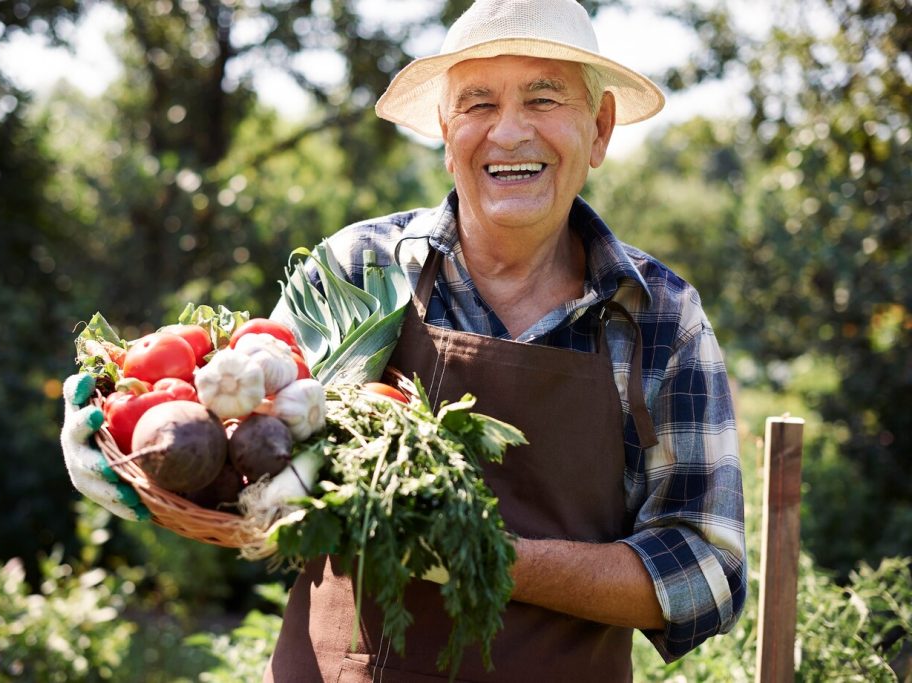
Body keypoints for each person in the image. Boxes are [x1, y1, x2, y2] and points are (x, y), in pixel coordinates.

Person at [61, 0, 747, 679]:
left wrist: (481, 553)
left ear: (599, 129)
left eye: (543, 99)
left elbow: (706, 569)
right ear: (446, 131)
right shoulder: (355, 270)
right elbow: (253, 464)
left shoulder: (659, 317)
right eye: (477, 104)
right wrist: (138, 443)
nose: (508, 133)